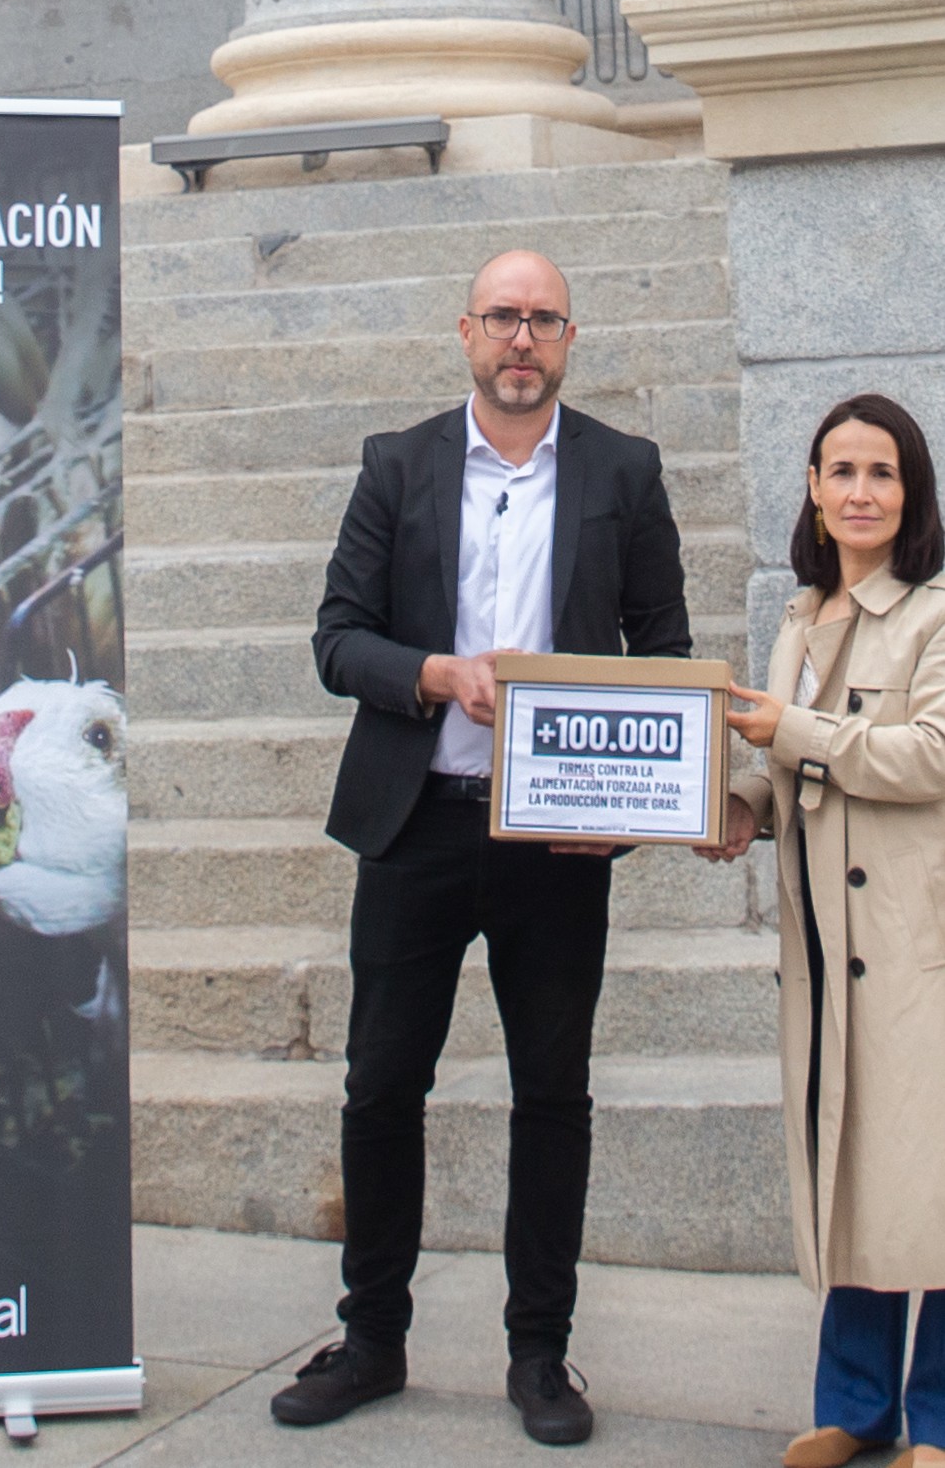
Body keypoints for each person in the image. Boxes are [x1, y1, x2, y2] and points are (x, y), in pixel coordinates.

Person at [272, 250, 690, 1444]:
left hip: (556, 837)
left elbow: (664, 652)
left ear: (570, 338)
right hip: (417, 825)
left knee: (553, 1092)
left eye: (543, 320)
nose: (522, 337)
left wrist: (641, 787)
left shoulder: (624, 469)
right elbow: (337, 639)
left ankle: (541, 1353)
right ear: (465, 332)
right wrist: (432, 677)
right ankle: (373, 1339)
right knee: (380, 1083)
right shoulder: (397, 465)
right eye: (502, 317)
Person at [701, 394, 945, 1468]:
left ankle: (936, 1420)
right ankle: (855, 1408)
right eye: (840, 471)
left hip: (911, 949)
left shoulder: (937, 613)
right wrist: (743, 804)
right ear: (810, 486)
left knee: (926, 1188)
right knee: (847, 1178)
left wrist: (791, 729)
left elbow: (929, 756)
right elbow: (786, 760)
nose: (860, 492)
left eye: (881, 473)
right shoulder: (801, 615)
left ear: (912, 491)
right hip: (821, 952)